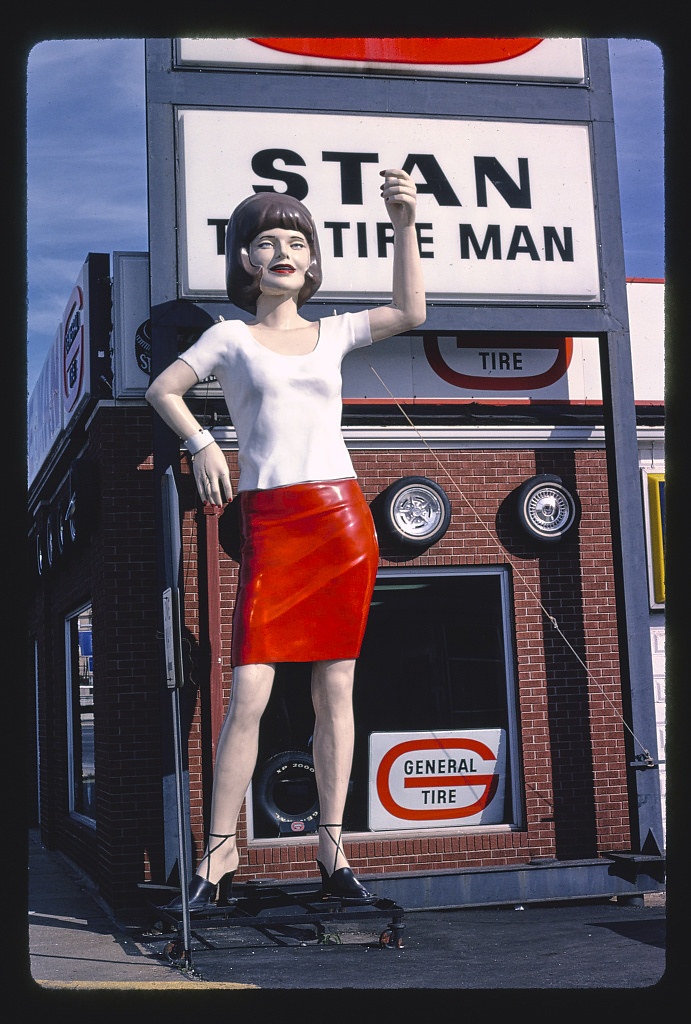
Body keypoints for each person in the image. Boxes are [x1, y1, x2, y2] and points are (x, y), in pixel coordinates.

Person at [145, 168, 426, 909]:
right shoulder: (229, 337)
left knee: (336, 687)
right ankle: (216, 855)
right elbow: (162, 389)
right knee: (249, 691)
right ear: (243, 260)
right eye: (265, 240)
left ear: (311, 259)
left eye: (295, 240)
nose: (281, 250)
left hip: (339, 520)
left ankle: (333, 856)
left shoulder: (334, 331)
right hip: (272, 522)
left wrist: (402, 222)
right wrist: (205, 442)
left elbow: (408, 308)